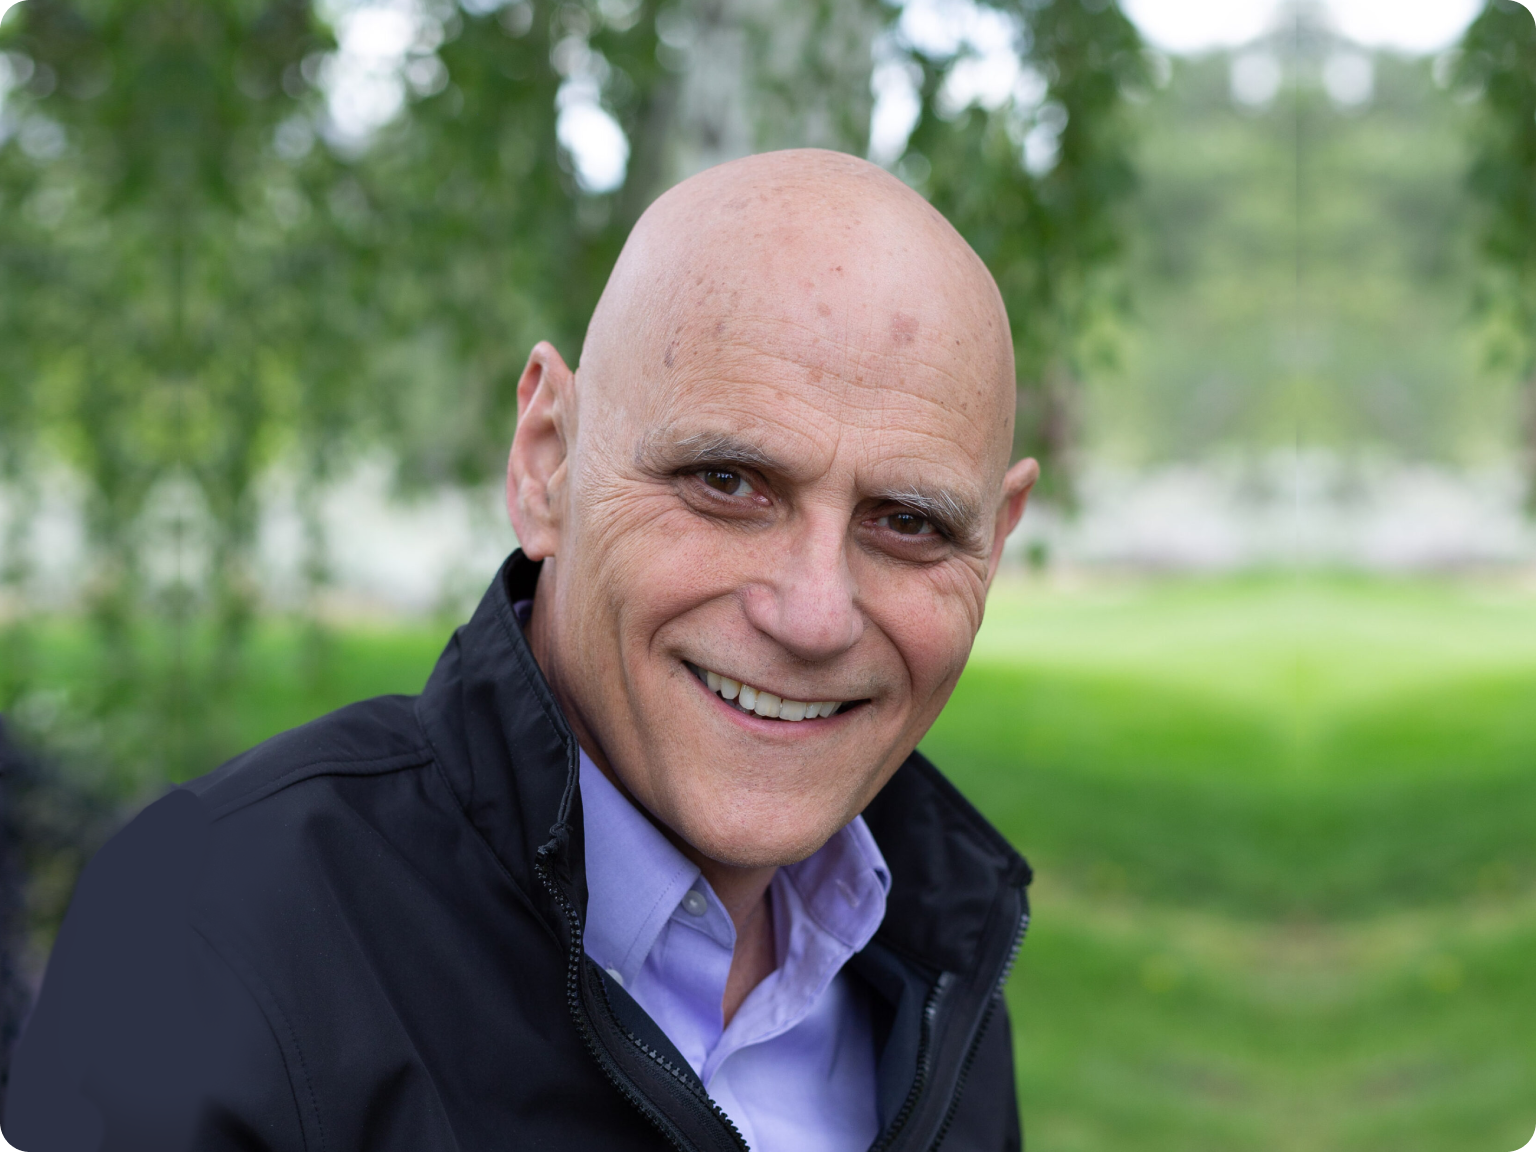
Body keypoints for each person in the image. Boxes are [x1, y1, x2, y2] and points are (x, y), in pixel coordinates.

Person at [7, 148, 1038, 1151]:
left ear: (995, 543)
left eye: (908, 522)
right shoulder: (216, 933)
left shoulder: (939, 977)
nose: (813, 616)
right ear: (547, 464)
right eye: (726, 482)